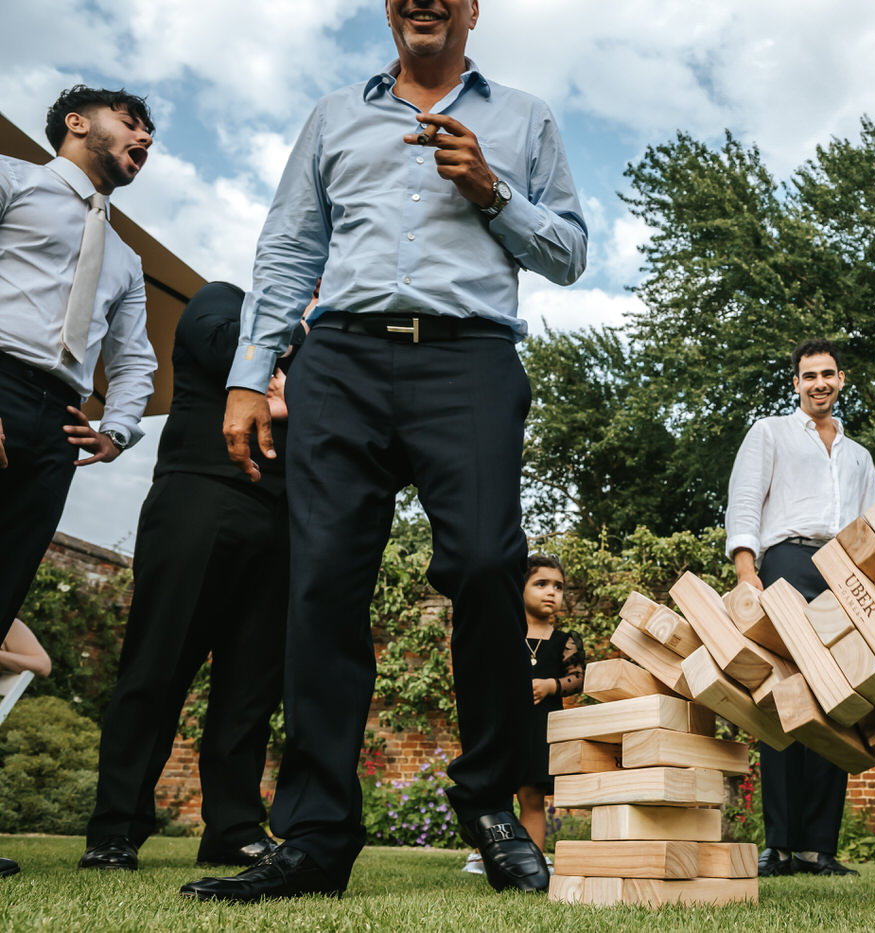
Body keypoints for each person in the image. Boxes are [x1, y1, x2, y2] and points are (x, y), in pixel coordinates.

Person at [182, 0, 587, 902]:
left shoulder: (525, 118)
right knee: (322, 582)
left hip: (470, 360)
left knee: (488, 565)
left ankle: (487, 801)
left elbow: (568, 253)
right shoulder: (334, 115)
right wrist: (251, 373)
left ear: (472, 9)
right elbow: (291, 244)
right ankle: (318, 834)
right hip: (343, 360)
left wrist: (492, 190)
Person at [79, 282, 303, 873]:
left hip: (284, 520)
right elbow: (229, 346)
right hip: (199, 498)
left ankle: (232, 827)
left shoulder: (332, 349)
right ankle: (115, 828)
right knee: (157, 665)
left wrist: (296, 382)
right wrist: (300, 332)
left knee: (251, 687)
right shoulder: (224, 299)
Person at [0, 84, 157, 881]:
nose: (144, 137)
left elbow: (134, 363)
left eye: (149, 131)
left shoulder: (125, 259)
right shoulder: (11, 181)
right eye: (132, 122)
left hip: (57, 423)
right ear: (76, 122)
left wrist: (117, 427)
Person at [725, 338, 875, 878]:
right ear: (796, 383)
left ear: (842, 379)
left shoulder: (860, 456)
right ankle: (781, 845)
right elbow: (744, 503)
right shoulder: (769, 433)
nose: (819, 383)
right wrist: (750, 575)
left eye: (828, 374)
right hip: (784, 564)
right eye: (809, 375)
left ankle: (819, 848)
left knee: (838, 702)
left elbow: (871, 529)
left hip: (843, 573)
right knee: (783, 700)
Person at [465, 554, 583, 875]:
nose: (551, 592)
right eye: (541, 584)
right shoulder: (505, 633)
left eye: (558, 586)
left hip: (540, 729)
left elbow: (578, 678)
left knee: (531, 796)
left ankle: (529, 861)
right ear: (519, 588)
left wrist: (550, 685)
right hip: (503, 727)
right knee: (494, 790)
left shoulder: (564, 641)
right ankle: (482, 855)